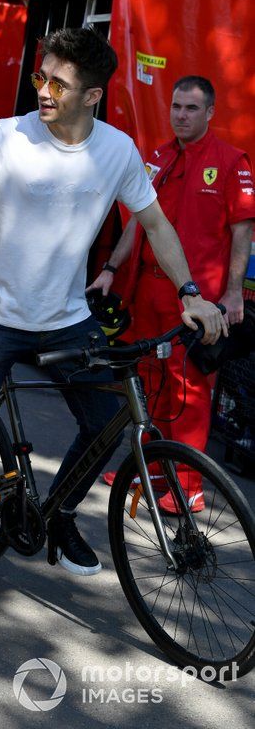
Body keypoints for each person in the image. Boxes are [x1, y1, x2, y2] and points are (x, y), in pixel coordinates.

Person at [0, 29, 226, 613]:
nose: (44, 90)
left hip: (69, 318)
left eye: (59, 83)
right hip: (0, 317)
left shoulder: (116, 151)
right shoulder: (6, 137)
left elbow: (158, 226)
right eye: (41, 77)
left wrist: (192, 292)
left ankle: (58, 516)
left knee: (106, 421)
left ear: (92, 96)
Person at [93, 76, 254, 512]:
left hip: (196, 302)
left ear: (210, 113)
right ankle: (148, 469)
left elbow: (243, 233)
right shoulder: (158, 158)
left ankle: (187, 486)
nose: (181, 115)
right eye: (176, 107)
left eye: (191, 108)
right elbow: (135, 223)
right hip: (146, 294)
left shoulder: (231, 161)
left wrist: (235, 293)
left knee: (190, 391)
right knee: (146, 383)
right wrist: (111, 268)